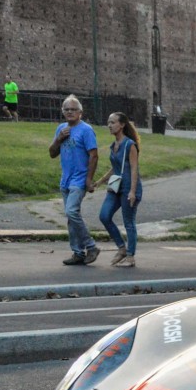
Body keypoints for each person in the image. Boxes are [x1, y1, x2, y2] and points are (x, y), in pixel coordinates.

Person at [49, 95, 100, 266]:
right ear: (63, 112)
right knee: (71, 217)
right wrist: (59, 139)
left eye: (73, 110)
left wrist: (89, 179)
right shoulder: (61, 129)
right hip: (66, 179)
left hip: (79, 179)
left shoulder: (86, 130)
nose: (70, 112)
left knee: (71, 212)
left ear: (80, 112)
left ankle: (91, 246)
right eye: (67, 109)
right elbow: (52, 153)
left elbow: (94, 155)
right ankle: (78, 252)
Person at [92, 112, 142, 268]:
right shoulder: (113, 146)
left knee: (129, 222)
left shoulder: (130, 145)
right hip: (115, 186)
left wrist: (132, 191)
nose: (109, 125)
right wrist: (99, 182)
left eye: (112, 122)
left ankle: (130, 256)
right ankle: (121, 247)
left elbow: (134, 169)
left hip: (128, 187)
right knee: (104, 216)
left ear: (122, 125)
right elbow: (114, 168)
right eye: (108, 122)